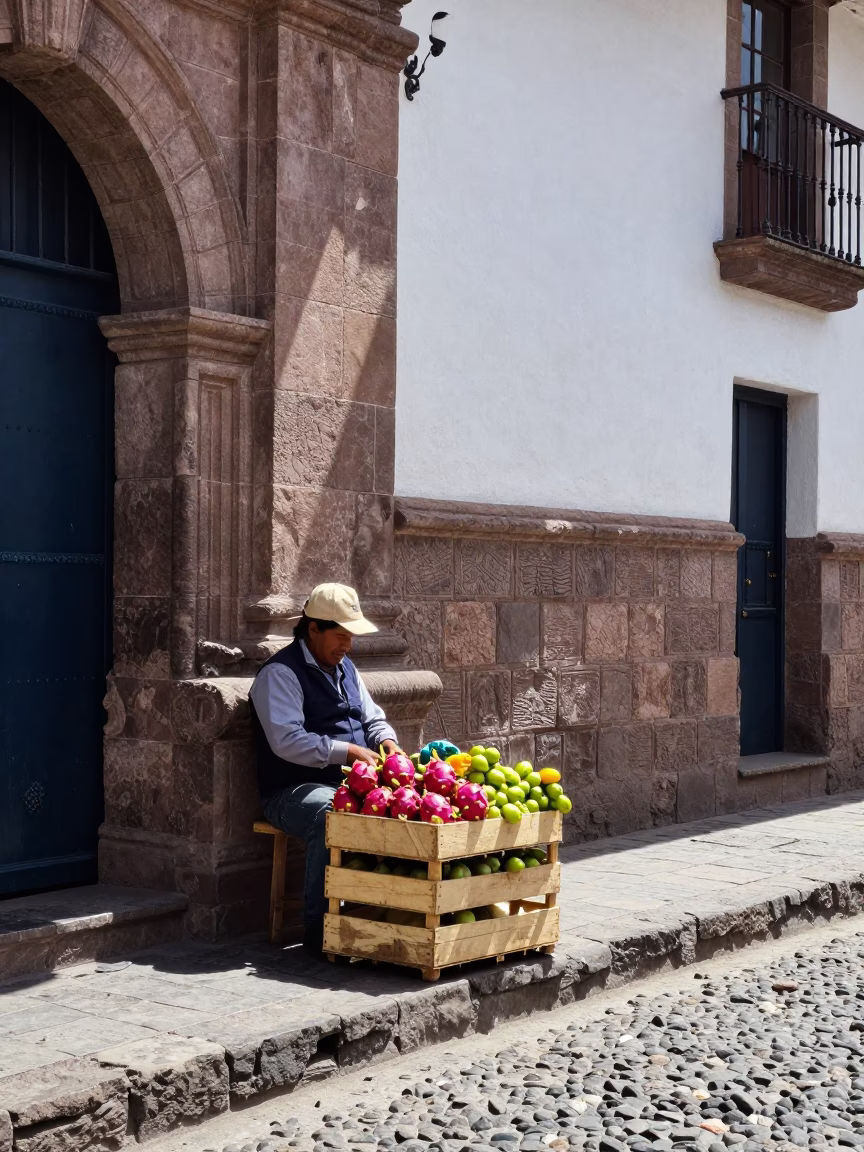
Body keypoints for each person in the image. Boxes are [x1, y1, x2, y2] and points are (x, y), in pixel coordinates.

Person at [248, 582, 400, 955]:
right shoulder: (280, 674)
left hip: (349, 782)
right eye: (340, 635)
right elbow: (287, 741)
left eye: (351, 637)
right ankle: (319, 933)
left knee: (406, 804)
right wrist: (346, 752)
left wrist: (387, 743)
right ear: (313, 629)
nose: (347, 645)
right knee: (331, 813)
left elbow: (372, 716)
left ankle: (383, 918)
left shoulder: (346, 666)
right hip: (292, 791)